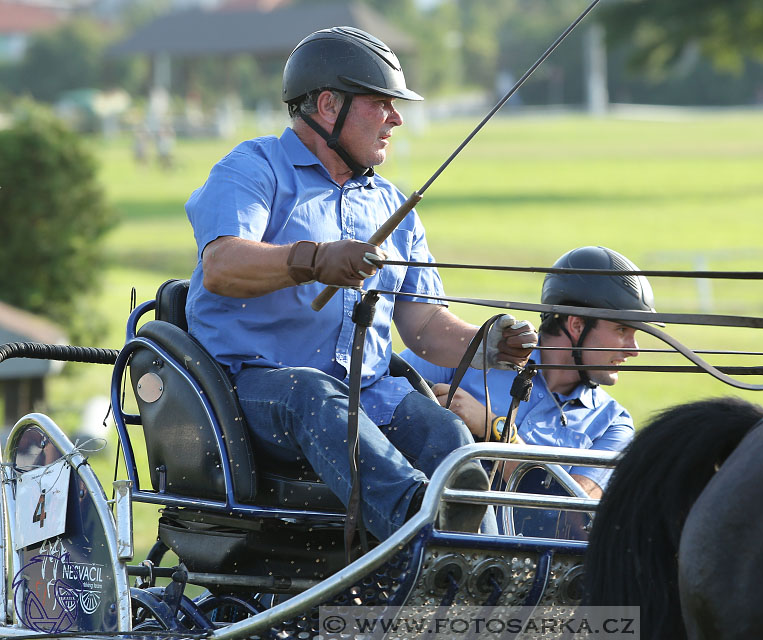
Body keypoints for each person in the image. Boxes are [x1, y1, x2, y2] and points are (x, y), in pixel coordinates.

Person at [183, 27, 535, 541]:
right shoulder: (253, 169)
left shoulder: (392, 205)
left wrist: (488, 345)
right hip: (252, 394)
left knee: (448, 432)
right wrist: (316, 259)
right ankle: (422, 525)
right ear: (328, 105)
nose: (395, 119)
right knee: (314, 395)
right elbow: (222, 265)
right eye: (381, 104)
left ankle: (486, 568)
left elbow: (424, 324)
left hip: (366, 394)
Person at [400, 246, 657, 538]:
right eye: (623, 330)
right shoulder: (474, 353)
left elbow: (571, 514)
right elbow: (381, 395)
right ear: (576, 324)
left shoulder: (613, 424)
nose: (634, 349)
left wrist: (496, 428)